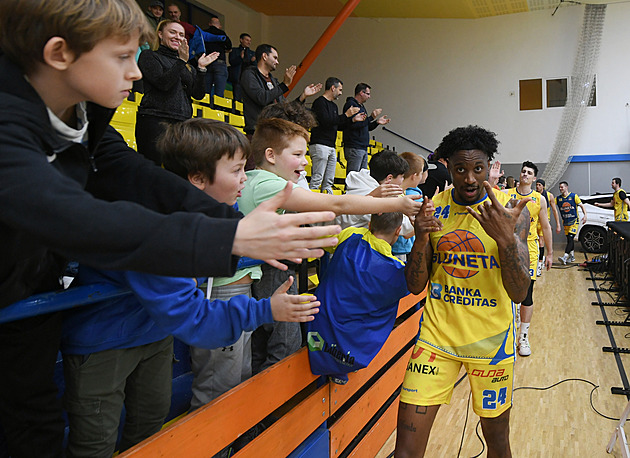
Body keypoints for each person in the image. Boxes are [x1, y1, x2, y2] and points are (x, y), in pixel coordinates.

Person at [0, 1, 341, 455]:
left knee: (56, 427)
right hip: (30, 298)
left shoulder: (85, 115)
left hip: (31, 287)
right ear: (60, 53)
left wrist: (229, 228)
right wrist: (230, 237)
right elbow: (61, 211)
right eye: (122, 57)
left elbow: (126, 171)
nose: (137, 73)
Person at [60, 119, 322, 456]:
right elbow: (192, 314)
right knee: (94, 446)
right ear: (197, 179)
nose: (246, 179)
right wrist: (265, 310)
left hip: (152, 336)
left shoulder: (200, 220)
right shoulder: (155, 226)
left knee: (149, 431)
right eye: (238, 170)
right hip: (105, 343)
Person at [239, 118, 423, 374]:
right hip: (246, 280)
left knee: (257, 348)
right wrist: (397, 205)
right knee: (284, 345)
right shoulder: (269, 184)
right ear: (270, 155)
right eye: (298, 154)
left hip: (250, 276)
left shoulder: (255, 180)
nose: (306, 161)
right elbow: (337, 205)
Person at [395, 125, 531, 458]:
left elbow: (519, 292)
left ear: (490, 167)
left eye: (477, 169)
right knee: (405, 451)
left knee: (497, 442)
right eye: (460, 169)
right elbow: (415, 286)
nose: (469, 178)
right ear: (448, 166)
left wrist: (506, 239)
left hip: (491, 343)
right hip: (436, 340)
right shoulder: (434, 209)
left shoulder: (509, 211)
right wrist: (421, 239)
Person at [306, 212, 409, 385]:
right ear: (398, 231)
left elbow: (324, 240)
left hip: (319, 326)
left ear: (369, 224)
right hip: (352, 345)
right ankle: (341, 368)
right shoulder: (399, 272)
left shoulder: (351, 235)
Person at [136, 20, 219, 165]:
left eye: (181, 34)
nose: (178, 37)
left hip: (182, 124)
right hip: (155, 121)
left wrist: (201, 69)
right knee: (153, 170)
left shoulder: (187, 66)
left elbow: (198, 94)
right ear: (160, 34)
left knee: (179, 172)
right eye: (172, 32)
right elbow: (163, 84)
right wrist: (181, 61)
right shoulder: (150, 56)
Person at [503, 162, 553, 357]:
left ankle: (523, 337)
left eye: (529, 172)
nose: (525, 174)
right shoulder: (506, 194)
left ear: (534, 178)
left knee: (527, 293)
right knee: (506, 292)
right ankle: (507, 334)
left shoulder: (539, 199)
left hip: (529, 250)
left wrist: (549, 253)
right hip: (508, 248)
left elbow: (546, 226)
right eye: (523, 171)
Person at [241, 44, 321, 136]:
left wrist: (303, 96)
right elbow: (261, 98)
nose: (277, 62)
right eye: (275, 58)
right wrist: (284, 85)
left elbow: (285, 108)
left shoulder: (274, 81)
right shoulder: (249, 74)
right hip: (258, 133)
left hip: (276, 133)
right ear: (264, 56)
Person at [309, 77, 361, 194]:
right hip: (320, 144)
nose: (341, 93)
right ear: (333, 88)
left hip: (331, 146)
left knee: (329, 181)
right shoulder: (319, 102)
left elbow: (337, 125)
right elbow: (326, 121)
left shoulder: (334, 106)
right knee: (317, 178)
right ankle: (310, 205)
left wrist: (352, 120)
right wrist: (346, 115)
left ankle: (326, 205)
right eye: (340, 89)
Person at [336, 150, 410, 230]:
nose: (402, 181)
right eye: (402, 177)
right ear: (389, 178)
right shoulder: (371, 195)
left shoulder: (364, 182)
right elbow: (398, 226)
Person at [341, 83, 390, 173]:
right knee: (353, 176)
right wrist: (371, 117)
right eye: (368, 94)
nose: (369, 96)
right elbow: (354, 125)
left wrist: (376, 122)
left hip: (362, 146)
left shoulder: (361, 107)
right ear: (361, 93)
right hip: (354, 146)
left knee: (362, 177)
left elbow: (365, 126)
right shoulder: (351, 105)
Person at [391, 152, 429, 262]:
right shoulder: (398, 195)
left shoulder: (400, 192)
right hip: (397, 249)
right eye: (421, 173)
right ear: (415, 176)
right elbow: (407, 233)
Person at [535, 179, 562, 276]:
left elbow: (554, 210)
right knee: (535, 243)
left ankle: (540, 263)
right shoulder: (534, 195)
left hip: (544, 222)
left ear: (543, 186)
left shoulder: (549, 195)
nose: (537, 187)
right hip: (534, 222)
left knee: (541, 242)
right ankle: (535, 261)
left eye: (539, 185)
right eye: (536, 185)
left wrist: (558, 224)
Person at [556, 181, 587, 264]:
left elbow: (582, 205)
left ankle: (565, 256)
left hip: (574, 221)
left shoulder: (573, 196)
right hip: (565, 222)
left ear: (566, 187)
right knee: (569, 240)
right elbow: (551, 203)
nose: (560, 189)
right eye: (559, 187)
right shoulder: (558, 198)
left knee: (570, 238)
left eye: (562, 187)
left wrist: (585, 215)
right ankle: (572, 256)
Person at [203, 15, 231, 98]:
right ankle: (217, 110)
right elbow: (229, 46)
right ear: (219, 25)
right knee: (219, 92)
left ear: (209, 24)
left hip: (206, 63)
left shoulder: (204, 33)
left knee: (206, 91)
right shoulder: (221, 34)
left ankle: (205, 109)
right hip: (219, 63)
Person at [228, 33, 256, 102]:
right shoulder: (234, 50)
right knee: (237, 97)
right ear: (241, 40)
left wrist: (253, 61)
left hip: (248, 79)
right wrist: (240, 58)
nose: (249, 42)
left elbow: (255, 66)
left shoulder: (252, 53)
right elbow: (231, 62)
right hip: (237, 77)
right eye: (247, 40)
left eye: (250, 41)